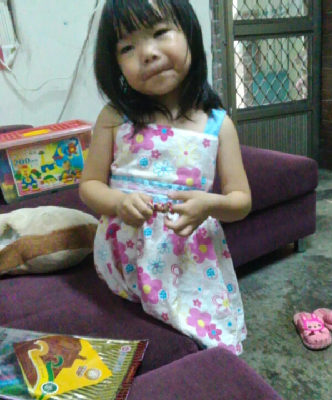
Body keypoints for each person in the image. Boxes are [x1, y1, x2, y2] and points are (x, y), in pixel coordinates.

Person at [80, 0, 251, 354]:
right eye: (127, 48)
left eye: (160, 32)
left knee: (210, 342)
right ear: (114, 64)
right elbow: (89, 186)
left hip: (188, 257)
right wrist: (119, 202)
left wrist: (210, 204)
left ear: (190, 34)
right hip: (123, 259)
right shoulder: (114, 117)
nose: (147, 53)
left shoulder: (218, 125)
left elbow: (241, 201)